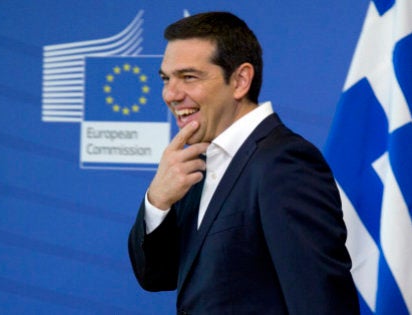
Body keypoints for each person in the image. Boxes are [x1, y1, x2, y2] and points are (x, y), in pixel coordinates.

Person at [127, 11, 359, 314]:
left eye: (189, 77)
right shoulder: (199, 163)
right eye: (166, 79)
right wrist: (157, 200)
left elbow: (320, 300)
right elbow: (155, 276)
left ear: (240, 80)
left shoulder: (284, 163)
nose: (170, 94)